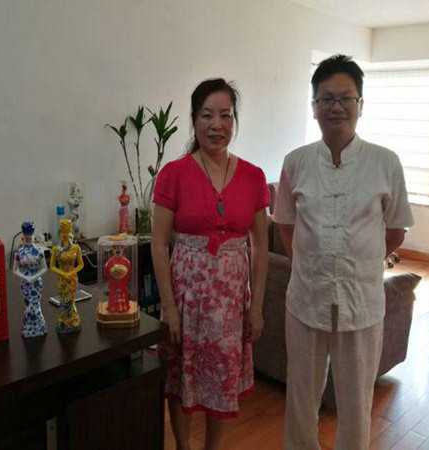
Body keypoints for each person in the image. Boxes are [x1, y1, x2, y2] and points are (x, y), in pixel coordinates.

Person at [274, 54, 414, 450]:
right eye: (327, 98)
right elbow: (286, 223)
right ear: (314, 106)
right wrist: (307, 265)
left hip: (361, 303)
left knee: (356, 403)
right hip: (305, 300)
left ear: (360, 104)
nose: (336, 107)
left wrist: (360, 262)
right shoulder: (296, 162)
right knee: (301, 399)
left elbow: (396, 230)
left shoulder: (386, 163)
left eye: (345, 98)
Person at [151, 78, 269, 450]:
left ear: (234, 120)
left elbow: (261, 245)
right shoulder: (173, 174)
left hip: (231, 304)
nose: (217, 124)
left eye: (225, 115)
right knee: (180, 378)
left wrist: (256, 307)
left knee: (222, 379)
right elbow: (159, 243)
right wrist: (169, 307)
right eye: (207, 115)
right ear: (194, 119)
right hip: (185, 299)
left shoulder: (253, 176)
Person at [13, 221, 48, 338]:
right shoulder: (19, 252)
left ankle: (40, 327)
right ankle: (29, 328)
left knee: (35, 305)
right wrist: (25, 277)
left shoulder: (39, 250)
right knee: (28, 306)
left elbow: (44, 268)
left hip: (36, 283)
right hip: (25, 284)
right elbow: (15, 270)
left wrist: (34, 277)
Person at [50, 219, 84, 334]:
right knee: (64, 299)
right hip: (62, 279)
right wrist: (63, 273)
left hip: (72, 279)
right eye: (63, 229)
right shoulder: (56, 249)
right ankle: (65, 318)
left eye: (67, 229)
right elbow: (52, 266)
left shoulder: (76, 248)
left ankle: (72, 319)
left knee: (71, 299)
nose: (65, 234)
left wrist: (71, 272)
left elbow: (81, 265)